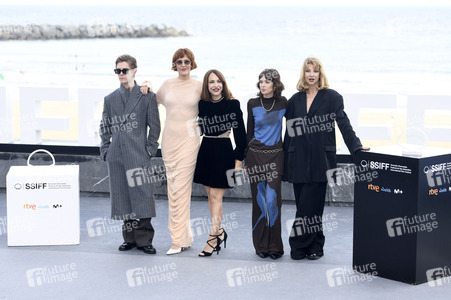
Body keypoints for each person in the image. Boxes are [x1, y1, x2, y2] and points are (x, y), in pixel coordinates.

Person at [283, 57, 369, 261]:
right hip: (299, 159)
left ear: (321, 74)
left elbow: (344, 124)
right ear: (303, 74)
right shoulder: (294, 100)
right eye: (307, 71)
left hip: (321, 160)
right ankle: (315, 245)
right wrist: (285, 159)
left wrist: (356, 147)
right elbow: (289, 133)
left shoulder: (332, 97)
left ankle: (298, 245)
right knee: (306, 206)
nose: (311, 74)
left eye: (315, 71)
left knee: (311, 205)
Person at [143, 48, 202, 255]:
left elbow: (219, 99)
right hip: (169, 141)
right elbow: (151, 100)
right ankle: (185, 237)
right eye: (179, 62)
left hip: (190, 142)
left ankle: (177, 240)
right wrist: (147, 83)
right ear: (174, 65)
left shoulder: (199, 86)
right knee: (174, 190)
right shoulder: (167, 85)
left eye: (186, 61)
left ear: (192, 63)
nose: (183, 64)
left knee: (180, 189)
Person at [99, 54, 160, 254]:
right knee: (123, 195)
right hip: (116, 155)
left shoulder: (147, 96)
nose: (121, 74)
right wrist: (106, 150)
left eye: (124, 70)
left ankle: (144, 240)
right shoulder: (110, 99)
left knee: (142, 195)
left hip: (138, 153)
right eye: (118, 71)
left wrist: (150, 149)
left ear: (134, 71)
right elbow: (105, 127)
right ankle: (129, 239)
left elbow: (155, 127)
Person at [193, 69, 246, 257]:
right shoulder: (202, 105)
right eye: (211, 82)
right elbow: (198, 128)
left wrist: (238, 162)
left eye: (218, 81)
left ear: (223, 84)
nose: (215, 85)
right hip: (206, 149)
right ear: (206, 86)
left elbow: (241, 136)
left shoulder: (233, 104)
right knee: (210, 194)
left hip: (224, 151)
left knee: (216, 196)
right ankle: (220, 231)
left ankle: (213, 237)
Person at [245, 69, 287, 260]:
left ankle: (275, 246)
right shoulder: (253, 103)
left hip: (276, 157)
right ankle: (261, 245)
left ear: (275, 85)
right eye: (260, 81)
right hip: (255, 157)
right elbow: (249, 132)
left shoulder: (284, 103)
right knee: (260, 202)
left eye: (267, 81)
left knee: (272, 201)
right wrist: (246, 158)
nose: (262, 84)